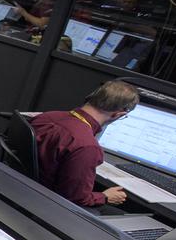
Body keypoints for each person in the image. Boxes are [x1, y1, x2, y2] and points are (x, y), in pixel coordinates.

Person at [31, 80, 138, 209]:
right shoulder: (87, 146)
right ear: (118, 114)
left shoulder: (47, 116)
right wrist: (105, 197)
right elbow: (74, 198)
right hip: (48, 205)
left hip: (23, 187)